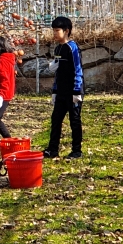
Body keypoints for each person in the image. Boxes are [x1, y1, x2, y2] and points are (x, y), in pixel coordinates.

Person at [43, 16, 84, 159]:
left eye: (57, 30)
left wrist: (77, 90)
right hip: (60, 91)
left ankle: (77, 151)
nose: (54, 33)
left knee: (75, 121)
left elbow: (78, 69)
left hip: (72, 91)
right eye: (53, 30)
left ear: (66, 31)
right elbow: (58, 72)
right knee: (56, 120)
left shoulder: (72, 48)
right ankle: (52, 149)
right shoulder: (58, 48)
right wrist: (54, 91)